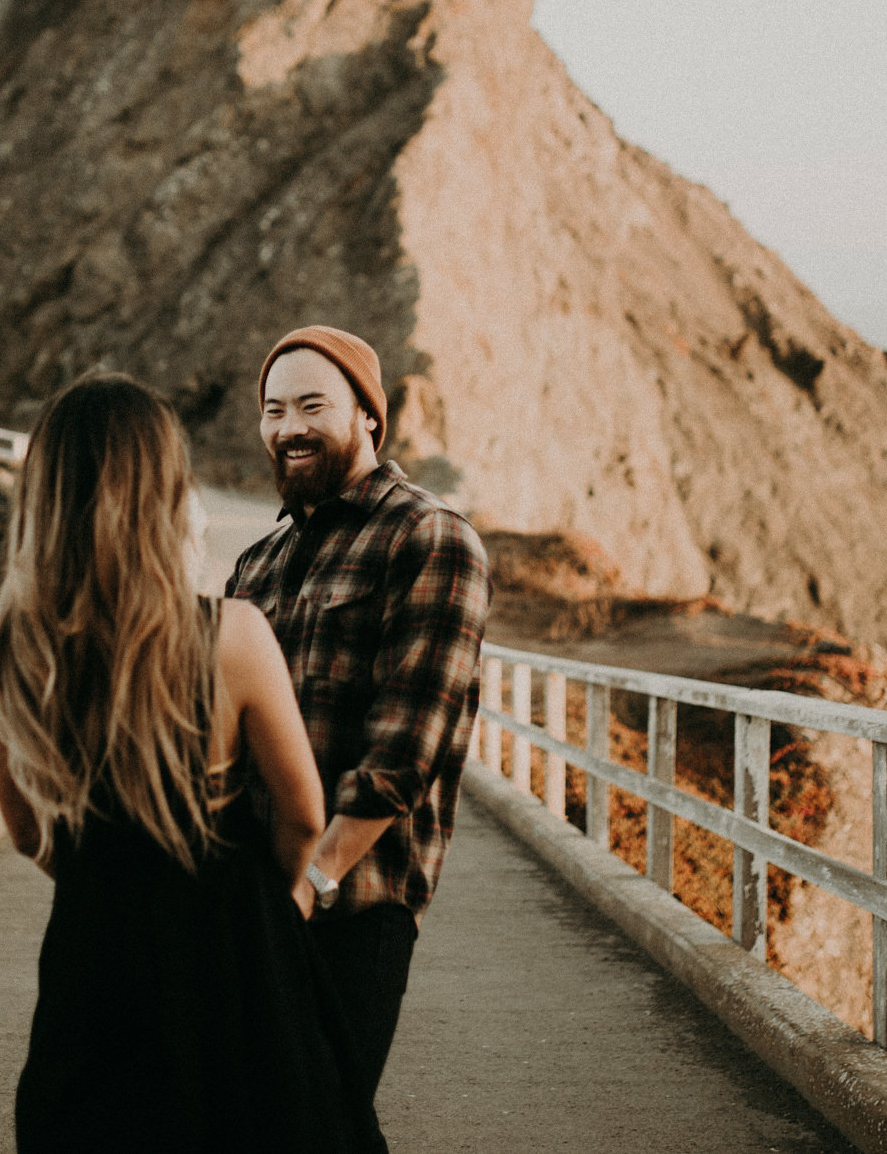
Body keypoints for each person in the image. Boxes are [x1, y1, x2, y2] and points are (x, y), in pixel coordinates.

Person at [0, 374, 360, 1154]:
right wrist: (267, 904)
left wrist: (108, 880)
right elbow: (304, 816)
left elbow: (25, 833)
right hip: (232, 951)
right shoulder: (233, 635)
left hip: (91, 956)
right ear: (162, 495)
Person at [225, 326, 491, 1153]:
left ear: (368, 419)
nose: (290, 427)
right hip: (249, 898)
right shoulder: (255, 564)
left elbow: (407, 746)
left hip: (355, 899)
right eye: (274, 410)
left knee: (318, 1117)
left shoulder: (429, 538)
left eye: (313, 405)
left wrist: (315, 880)